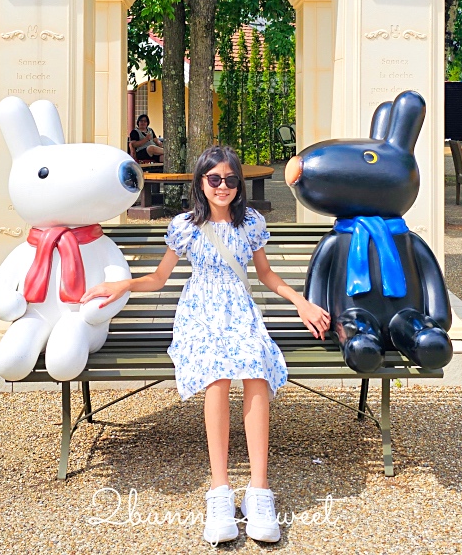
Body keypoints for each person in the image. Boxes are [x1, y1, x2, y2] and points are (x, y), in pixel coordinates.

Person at [82, 145, 330, 545]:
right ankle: (219, 491)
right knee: (216, 376)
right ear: (201, 181)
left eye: (231, 179)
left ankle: (258, 491)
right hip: (199, 313)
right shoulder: (185, 225)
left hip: (240, 312)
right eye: (214, 178)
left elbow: (265, 274)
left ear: (238, 184)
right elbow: (160, 279)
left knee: (254, 372)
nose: (223, 186)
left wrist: (301, 301)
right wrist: (124, 284)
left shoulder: (250, 223)